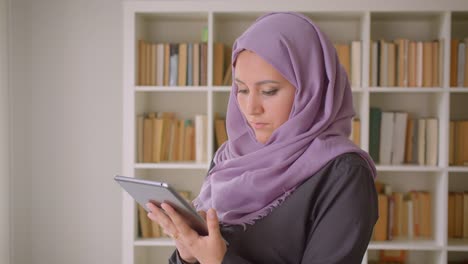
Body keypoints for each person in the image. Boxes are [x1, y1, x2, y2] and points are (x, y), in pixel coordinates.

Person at [146, 12, 378, 264]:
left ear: (311, 89)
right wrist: (187, 254)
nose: (250, 107)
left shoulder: (344, 174)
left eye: (269, 91)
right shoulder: (230, 156)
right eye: (242, 90)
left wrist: (220, 261)